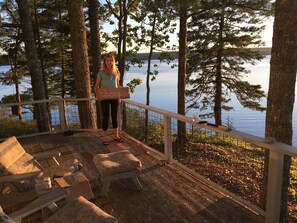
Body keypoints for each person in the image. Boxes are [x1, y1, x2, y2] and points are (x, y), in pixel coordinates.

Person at [94, 53, 124, 145]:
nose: (109, 62)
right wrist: (98, 95)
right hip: (104, 98)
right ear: (104, 62)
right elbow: (96, 86)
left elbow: (117, 84)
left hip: (114, 97)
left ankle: (116, 136)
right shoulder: (101, 72)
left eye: (110, 60)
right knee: (105, 117)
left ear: (113, 61)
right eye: (107, 60)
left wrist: (123, 90)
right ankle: (104, 138)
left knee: (115, 117)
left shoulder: (116, 71)